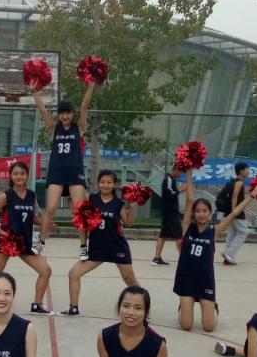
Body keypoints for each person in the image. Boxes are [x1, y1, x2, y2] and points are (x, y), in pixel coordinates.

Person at [174, 173, 257, 332]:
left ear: (210, 213)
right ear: (193, 213)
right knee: (186, 325)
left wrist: (251, 196)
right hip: (186, 279)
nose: (201, 214)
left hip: (205, 281)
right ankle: (183, 306)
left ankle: (213, 307)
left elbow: (234, 213)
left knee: (209, 327)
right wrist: (189, 172)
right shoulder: (187, 228)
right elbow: (190, 199)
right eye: (198, 211)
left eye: (205, 211)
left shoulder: (214, 231)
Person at [0, 161, 53, 317]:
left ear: (27, 176)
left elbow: (33, 218)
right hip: (7, 240)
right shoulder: (5, 196)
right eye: (15, 174)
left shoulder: (31, 195)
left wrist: (46, 223)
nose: (19, 176)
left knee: (46, 270)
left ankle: (37, 305)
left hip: (24, 242)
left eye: (22, 173)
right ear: (11, 176)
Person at [60, 170, 137, 316]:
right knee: (73, 274)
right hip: (97, 249)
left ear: (114, 184)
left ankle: (143, 309)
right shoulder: (91, 198)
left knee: (130, 281)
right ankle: (73, 308)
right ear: (98, 183)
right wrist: (75, 208)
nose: (105, 185)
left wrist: (133, 206)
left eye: (109, 182)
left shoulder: (118, 203)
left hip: (117, 247)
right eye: (102, 182)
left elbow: (128, 222)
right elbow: (75, 204)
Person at [33, 82, 95, 258]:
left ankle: (83, 246)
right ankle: (41, 242)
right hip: (57, 173)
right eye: (62, 113)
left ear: (73, 114)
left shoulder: (79, 128)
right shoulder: (54, 128)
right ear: (59, 115)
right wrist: (34, 91)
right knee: (51, 208)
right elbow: (43, 110)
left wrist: (91, 85)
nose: (65, 116)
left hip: (75, 173)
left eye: (68, 113)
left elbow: (84, 105)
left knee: (79, 209)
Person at [151, 165, 187, 266]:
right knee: (179, 235)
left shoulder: (170, 180)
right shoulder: (168, 179)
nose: (181, 174)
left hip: (168, 213)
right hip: (170, 214)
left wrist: (178, 190)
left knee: (163, 236)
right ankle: (185, 260)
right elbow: (169, 194)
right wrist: (180, 190)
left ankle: (156, 259)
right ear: (176, 170)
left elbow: (170, 193)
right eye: (180, 172)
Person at [220, 161, 251, 265]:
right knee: (243, 232)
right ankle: (229, 254)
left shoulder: (233, 181)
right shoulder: (239, 182)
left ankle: (227, 257)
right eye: (247, 169)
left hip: (228, 211)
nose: (248, 171)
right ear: (241, 171)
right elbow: (234, 196)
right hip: (236, 211)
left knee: (232, 233)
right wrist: (234, 211)